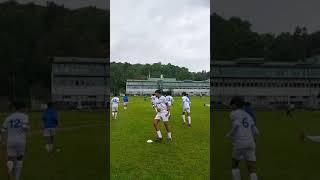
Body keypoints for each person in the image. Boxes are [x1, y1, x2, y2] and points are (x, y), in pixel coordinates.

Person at [226, 96, 259, 180]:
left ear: (235, 105)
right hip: (251, 143)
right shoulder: (248, 115)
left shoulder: (233, 113)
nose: (230, 107)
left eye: (231, 105)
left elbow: (236, 124)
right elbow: (256, 131)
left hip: (239, 143)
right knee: (252, 168)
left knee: (234, 164)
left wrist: (230, 134)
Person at [1, 101, 29, 180]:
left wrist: (3, 141)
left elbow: (3, 130)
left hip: (10, 141)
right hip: (21, 141)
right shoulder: (24, 116)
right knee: (19, 159)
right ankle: (17, 178)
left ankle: (10, 175)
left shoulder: (9, 117)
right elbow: (24, 127)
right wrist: (27, 129)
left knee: (10, 159)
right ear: (22, 108)